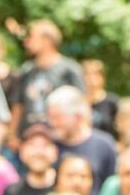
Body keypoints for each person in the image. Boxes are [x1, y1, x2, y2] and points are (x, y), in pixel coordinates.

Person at [9, 19, 84, 147]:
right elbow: (18, 106)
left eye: (32, 37)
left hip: (60, 139)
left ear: (47, 40)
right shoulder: (26, 71)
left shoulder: (69, 70)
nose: (27, 42)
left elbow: (82, 105)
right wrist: (12, 135)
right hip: (29, 139)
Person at [46, 86, 117, 195]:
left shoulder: (104, 145)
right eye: (50, 117)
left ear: (77, 117)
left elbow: (112, 187)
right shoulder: (48, 144)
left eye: (58, 117)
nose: (53, 123)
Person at [2, 124, 58, 195]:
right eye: (32, 145)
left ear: (55, 152)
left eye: (45, 145)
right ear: (22, 151)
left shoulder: (65, 187)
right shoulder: (12, 192)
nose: (38, 152)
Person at [81, 60, 119, 138]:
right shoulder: (77, 102)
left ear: (103, 78)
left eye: (96, 75)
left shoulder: (112, 102)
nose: (91, 79)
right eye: (87, 75)